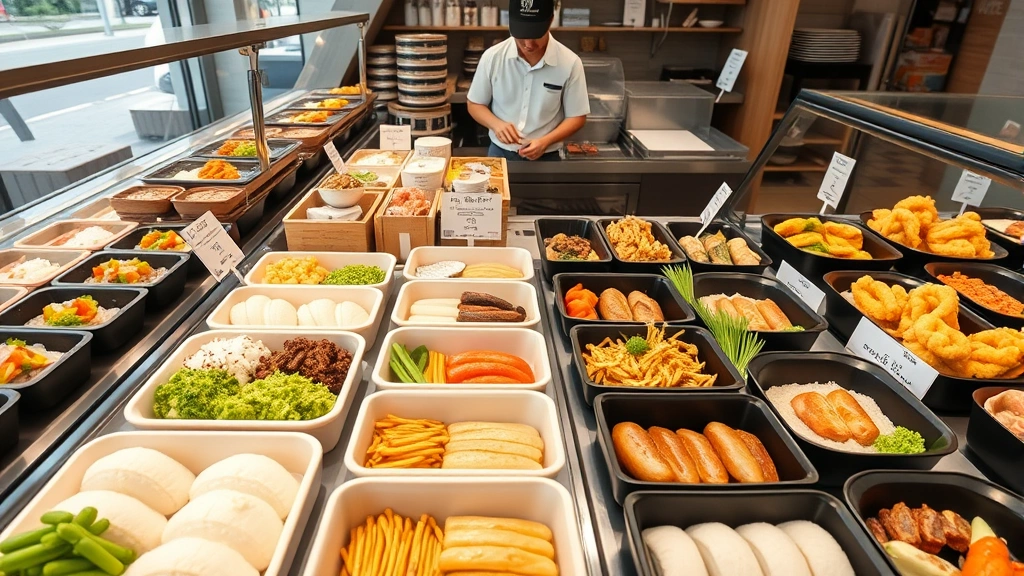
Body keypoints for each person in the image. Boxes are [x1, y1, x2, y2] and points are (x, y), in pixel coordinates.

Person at [467, 0, 590, 161]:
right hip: (500, 153)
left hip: (548, 155)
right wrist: (496, 125)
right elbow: (475, 104)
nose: (528, 44)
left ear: (551, 20)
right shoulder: (492, 57)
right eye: (522, 35)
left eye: (536, 35)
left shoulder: (570, 63)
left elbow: (577, 117)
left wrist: (545, 141)